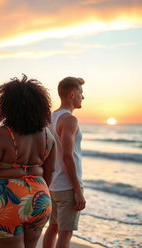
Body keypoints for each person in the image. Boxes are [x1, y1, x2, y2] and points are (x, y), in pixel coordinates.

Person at [0, 75, 56, 248]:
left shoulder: (2, 134)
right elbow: (50, 172)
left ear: (7, 106)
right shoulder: (48, 136)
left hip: (7, 200)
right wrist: (34, 191)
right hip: (40, 198)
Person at [43, 77, 86, 248]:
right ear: (72, 94)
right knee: (65, 234)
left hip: (54, 184)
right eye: (81, 93)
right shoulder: (69, 120)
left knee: (52, 228)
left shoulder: (51, 118)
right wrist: (77, 189)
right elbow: (67, 156)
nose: (83, 97)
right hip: (67, 186)